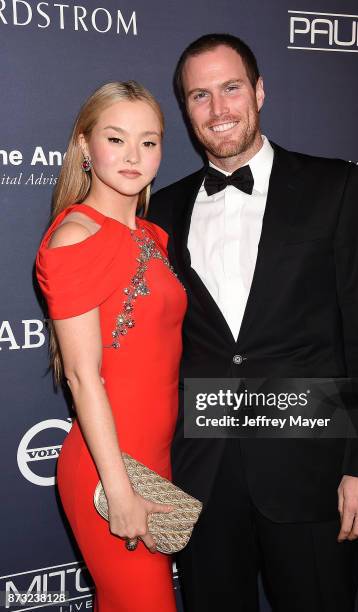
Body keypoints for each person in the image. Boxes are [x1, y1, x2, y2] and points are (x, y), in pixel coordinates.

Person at [147, 34, 358, 612]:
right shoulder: (160, 210)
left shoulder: (335, 186)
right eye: (200, 96)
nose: (219, 110)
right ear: (185, 109)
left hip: (312, 472)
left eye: (231, 88)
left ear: (259, 90)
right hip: (201, 477)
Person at [36, 81, 187, 612]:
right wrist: (118, 492)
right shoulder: (75, 237)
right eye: (116, 138)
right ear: (84, 145)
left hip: (155, 460)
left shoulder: (152, 236)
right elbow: (82, 376)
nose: (133, 156)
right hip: (109, 471)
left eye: (149, 141)